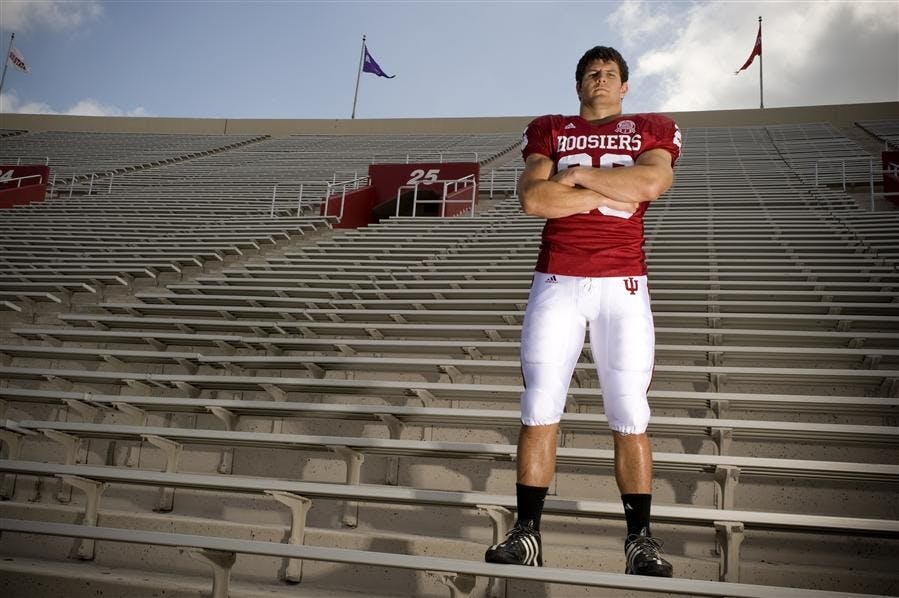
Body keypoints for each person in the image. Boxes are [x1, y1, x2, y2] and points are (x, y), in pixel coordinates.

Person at [484, 45, 681, 577]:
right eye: (592, 73)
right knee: (540, 404)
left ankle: (640, 539)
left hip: (622, 284)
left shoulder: (651, 126)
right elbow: (534, 200)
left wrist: (574, 180)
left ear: (625, 86)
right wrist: (610, 191)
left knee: (629, 411)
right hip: (557, 281)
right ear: (579, 85)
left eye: (610, 74)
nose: (601, 79)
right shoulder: (550, 128)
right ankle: (527, 532)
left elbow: (651, 184)